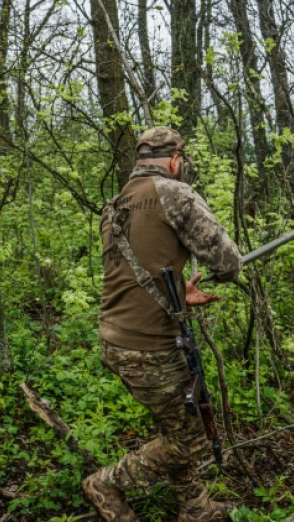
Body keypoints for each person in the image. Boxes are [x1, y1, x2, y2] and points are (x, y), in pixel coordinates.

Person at [83, 126, 243, 522]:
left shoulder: (115, 203)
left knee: (179, 421)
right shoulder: (174, 192)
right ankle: (106, 483)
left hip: (115, 334)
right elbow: (227, 262)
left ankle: (195, 509)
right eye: (182, 162)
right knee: (189, 439)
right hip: (149, 343)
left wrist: (176, 291)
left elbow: (138, 266)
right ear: (175, 161)